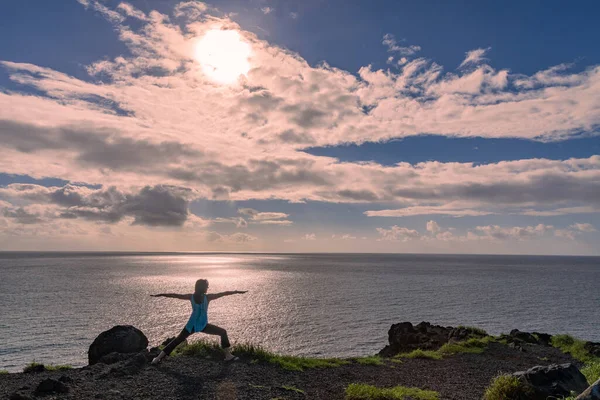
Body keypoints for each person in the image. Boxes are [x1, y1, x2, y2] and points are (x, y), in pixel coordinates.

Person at [150, 279, 247, 364]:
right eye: (206, 286)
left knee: (222, 332)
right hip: (194, 325)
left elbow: (223, 293)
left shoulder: (203, 297)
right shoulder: (204, 297)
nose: (208, 288)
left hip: (199, 325)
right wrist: (159, 294)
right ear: (202, 287)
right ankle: (158, 358)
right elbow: (174, 295)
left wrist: (236, 291)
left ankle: (228, 356)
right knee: (177, 341)